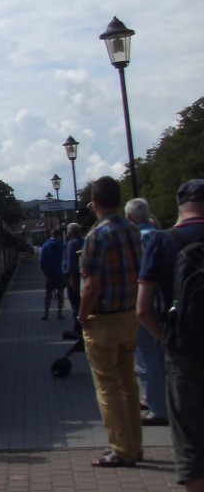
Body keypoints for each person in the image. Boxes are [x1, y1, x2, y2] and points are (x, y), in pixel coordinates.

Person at [136, 179, 204, 492]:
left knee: (192, 443)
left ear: (181, 205)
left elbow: (143, 308)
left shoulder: (162, 242)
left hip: (185, 354)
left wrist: (166, 340)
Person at [77, 176, 143, 468]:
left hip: (103, 319)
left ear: (96, 202)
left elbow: (91, 285)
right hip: (130, 314)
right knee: (129, 383)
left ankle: (121, 448)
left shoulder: (95, 236)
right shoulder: (133, 230)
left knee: (108, 386)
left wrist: (81, 315)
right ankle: (134, 445)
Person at [126, 197, 168, 425]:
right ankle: (159, 398)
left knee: (146, 358)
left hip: (145, 305)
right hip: (165, 304)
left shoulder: (138, 239)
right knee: (161, 356)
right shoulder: (162, 236)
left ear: (130, 218)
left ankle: (157, 409)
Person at [63, 222, 85, 340]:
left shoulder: (71, 243)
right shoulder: (84, 241)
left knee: (75, 304)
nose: (66, 233)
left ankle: (77, 329)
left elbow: (71, 262)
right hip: (82, 277)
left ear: (70, 232)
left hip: (74, 277)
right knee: (81, 302)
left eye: (67, 231)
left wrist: (71, 279)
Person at [38, 228, 67, 320]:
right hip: (60, 273)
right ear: (59, 235)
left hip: (50, 274)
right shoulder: (62, 246)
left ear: (51, 234)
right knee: (60, 293)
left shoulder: (45, 246)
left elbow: (42, 263)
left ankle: (46, 314)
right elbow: (65, 260)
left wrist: (46, 274)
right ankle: (59, 313)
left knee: (48, 295)